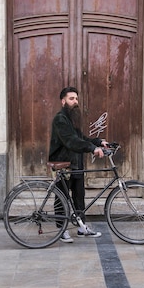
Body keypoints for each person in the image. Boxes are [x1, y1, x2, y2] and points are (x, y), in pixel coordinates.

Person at [49, 86, 108, 242]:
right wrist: (92, 148)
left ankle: (81, 227)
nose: (75, 102)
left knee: (79, 196)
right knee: (62, 197)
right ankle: (61, 230)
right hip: (63, 163)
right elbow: (71, 141)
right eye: (71, 99)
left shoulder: (72, 119)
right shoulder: (60, 119)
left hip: (76, 163)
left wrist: (98, 142)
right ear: (63, 101)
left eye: (76, 98)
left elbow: (81, 138)